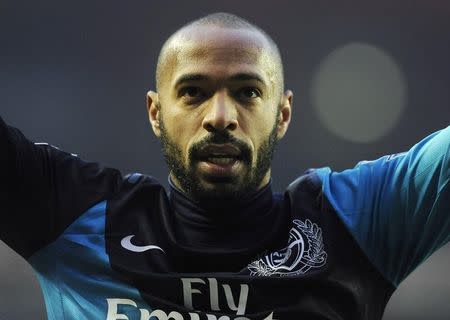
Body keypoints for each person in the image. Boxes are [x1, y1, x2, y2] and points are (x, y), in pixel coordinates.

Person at [0, 12, 449, 320]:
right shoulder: (72, 212)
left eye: (248, 92)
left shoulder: (354, 222)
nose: (219, 117)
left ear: (283, 114)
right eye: (193, 91)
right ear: (156, 113)